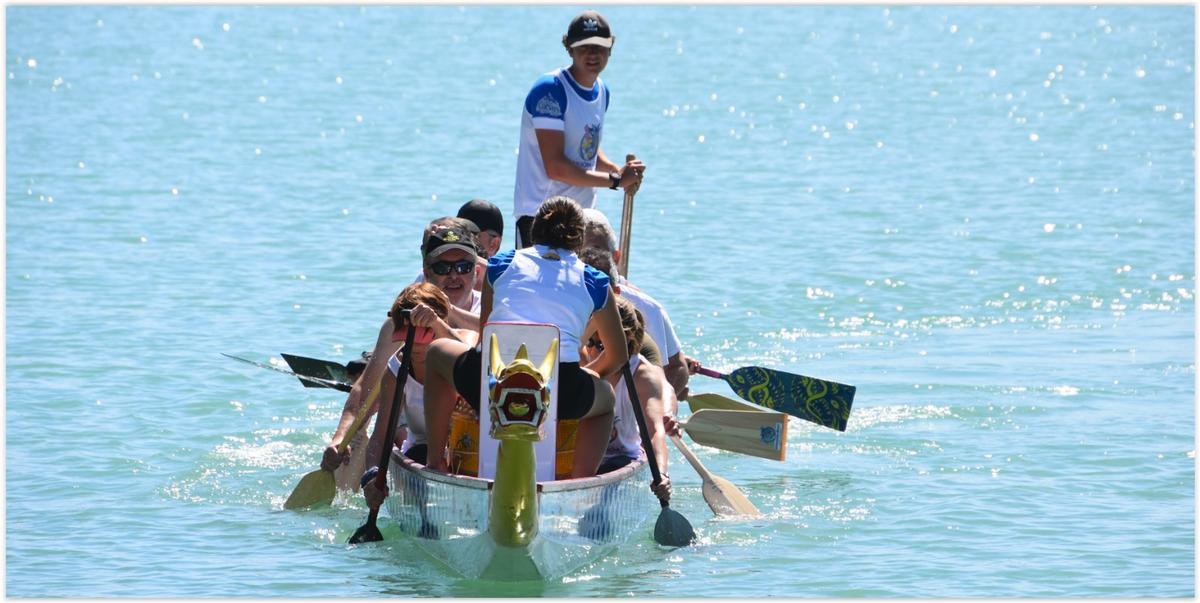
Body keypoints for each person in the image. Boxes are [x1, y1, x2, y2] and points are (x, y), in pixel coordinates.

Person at [422, 196, 629, 478]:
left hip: (491, 380)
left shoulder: (502, 264)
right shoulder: (595, 280)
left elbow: (487, 332)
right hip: (560, 390)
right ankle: (578, 483)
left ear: (533, 233)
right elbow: (618, 356)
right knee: (606, 398)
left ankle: (435, 462)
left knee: (436, 353)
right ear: (579, 241)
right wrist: (586, 376)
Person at [320, 223, 483, 476]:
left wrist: (441, 317)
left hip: (472, 433)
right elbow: (365, 388)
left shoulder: (490, 315)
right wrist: (340, 438)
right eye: (443, 267)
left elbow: (471, 364)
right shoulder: (402, 321)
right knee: (388, 432)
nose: (454, 275)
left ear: (477, 271)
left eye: (464, 267)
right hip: (417, 429)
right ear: (426, 272)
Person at [512, 10, 645, 248]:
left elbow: (586, 144)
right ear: (570, 49)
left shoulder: (602, 91)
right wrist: (615, 180)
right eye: (584, 47)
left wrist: (617, 170)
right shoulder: (550, 90)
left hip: (580, 218)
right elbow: (555, 167)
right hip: (541, 219)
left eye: (599, 47)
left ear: (610, 49)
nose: (593, 54)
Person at [580, 208, 692, 408]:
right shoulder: (560, 300)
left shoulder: (649, 310)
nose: (586, 260)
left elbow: (676, 367)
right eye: (579, 253)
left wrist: (662, 407)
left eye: (595, 250)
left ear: (615, 258)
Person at [361, 283, 478, 467]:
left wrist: (436, 323)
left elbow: (472, 370)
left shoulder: (467, 338)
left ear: (443, 323)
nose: (414, 344)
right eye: (407, 334)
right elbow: (379, 439)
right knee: (420, 452)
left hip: (468, 449)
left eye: (424, 332)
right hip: (421, 452)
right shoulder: (396, 369)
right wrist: (372, 475)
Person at [587, 297, 672, 504]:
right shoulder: (579, 358)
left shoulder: (643, 376)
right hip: (584, 457)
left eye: (600, 345)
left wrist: (661, 473)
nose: (591, 352)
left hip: (621, 458)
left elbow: (655, 432)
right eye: (589, 342)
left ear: (622, 343)